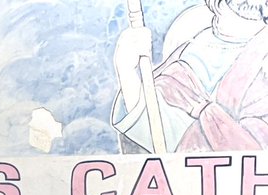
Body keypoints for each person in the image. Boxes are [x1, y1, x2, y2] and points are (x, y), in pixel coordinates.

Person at [112, 0, 268, 153]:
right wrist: (126, 70)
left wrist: (201, 108)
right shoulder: (192, 41)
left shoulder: (261, 64)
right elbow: (151, 127)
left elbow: (253, 153)